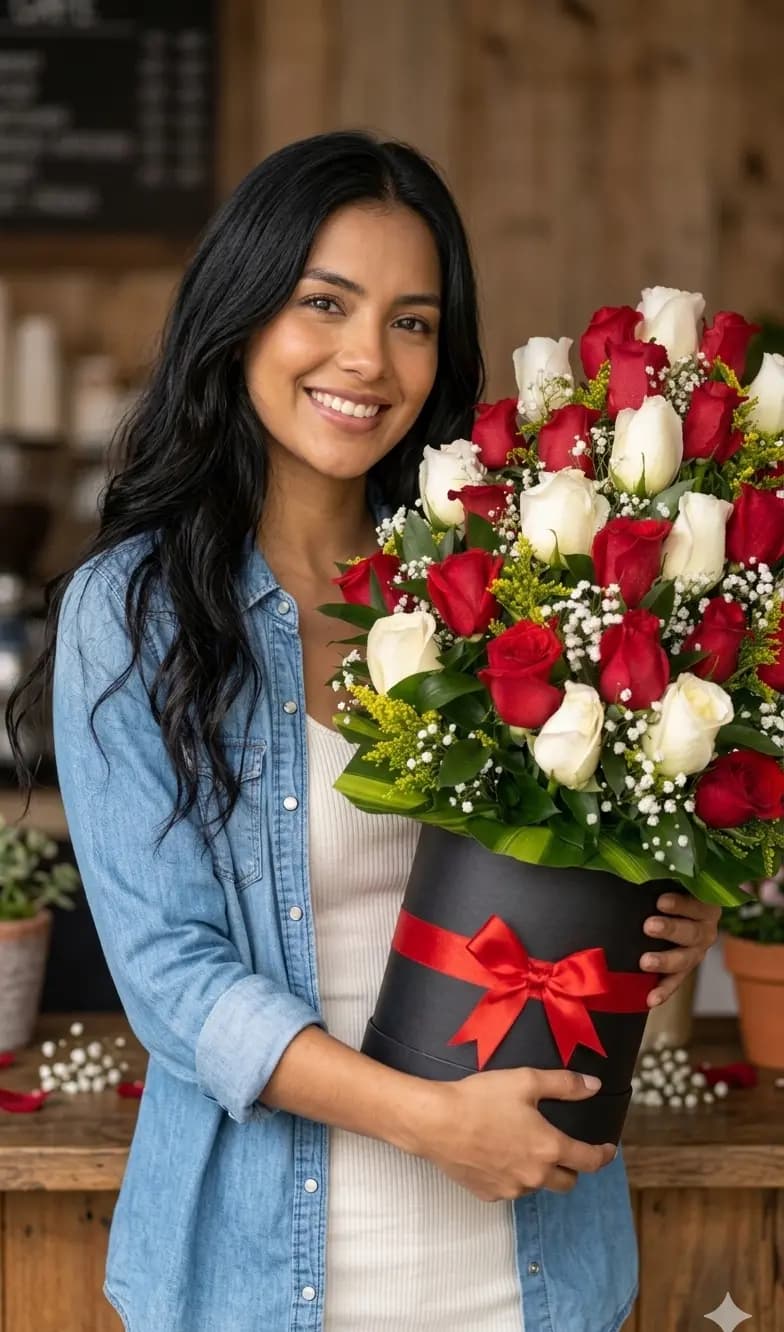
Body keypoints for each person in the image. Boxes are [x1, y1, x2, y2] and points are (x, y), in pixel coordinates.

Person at [6, 130, 720, 1332]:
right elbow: (173, 982)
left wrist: (651, 920)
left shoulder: (508, 578)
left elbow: (568, 875)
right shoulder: (134, 613)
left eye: (411, 321)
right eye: (323, 303)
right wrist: (433, 1123)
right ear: (240, 313)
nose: (366, 358)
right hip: (260, 1285)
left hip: (535, 1270)